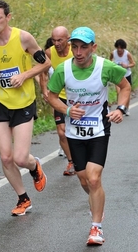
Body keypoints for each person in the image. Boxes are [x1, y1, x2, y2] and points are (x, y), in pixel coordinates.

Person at [46, 27, 131, 246]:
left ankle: (96, 228)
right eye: (75, 46)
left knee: (94, 178)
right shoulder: (63, 69)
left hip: (99, 129)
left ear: (93, 47)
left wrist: (120, 109)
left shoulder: (106, 67)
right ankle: (96, 202)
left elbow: (125, 86)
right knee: (84, 180)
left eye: (84, 47)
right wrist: (66, 110)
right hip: (75, 131)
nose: (78, 51)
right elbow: (51, 96)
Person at [0, 0, 50, 216]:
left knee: (19, 157)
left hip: (24, 102)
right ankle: (23, 198)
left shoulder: (23, 38)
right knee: (5, 157)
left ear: (8, 17)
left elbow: (45, 63)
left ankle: (34, 166)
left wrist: (24, 75)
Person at [43, 26, 76, 175]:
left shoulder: (75, 50)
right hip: (58, 97)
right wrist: (44, 90)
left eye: (59, 40)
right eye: (53, 40)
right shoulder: (49, 52)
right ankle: (71, 162)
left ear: (67, 39)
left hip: (77, 96)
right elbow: (42, 73)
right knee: (62, 133)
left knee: (78, 131)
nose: (56, 44)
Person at [109, 38, 136, 115]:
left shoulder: (127, 54)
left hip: (127, 75)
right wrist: (112, 64)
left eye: (121, 48)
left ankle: (126, 108)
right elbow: (110, 60)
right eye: (118, 47)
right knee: (118, 92)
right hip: (118, 76)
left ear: (124, 48)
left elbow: (133, 63)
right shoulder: (113, 53)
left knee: (127, 93)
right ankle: (120, 109)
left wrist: (127, 65)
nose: (119, 49)